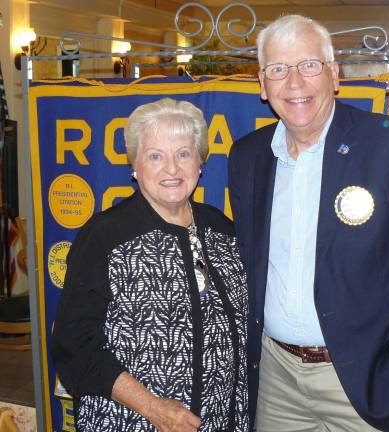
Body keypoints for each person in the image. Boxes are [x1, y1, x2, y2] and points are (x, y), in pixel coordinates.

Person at [228, 14, 389, 432]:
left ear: (334, 75)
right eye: (278, 69)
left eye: (309, 65)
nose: (294, 82)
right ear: (262, 85)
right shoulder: (248, 156)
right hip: (276, 381)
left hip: (367, 380)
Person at [52, 98, 249, 432]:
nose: (171, 169)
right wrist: (153, 408)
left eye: (183, 154)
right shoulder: (106, 236)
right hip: (132, 421)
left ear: (200, 163)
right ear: (135, 166)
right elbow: (75, 342)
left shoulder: (221, 228)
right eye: (155, 156)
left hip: (224, 420)